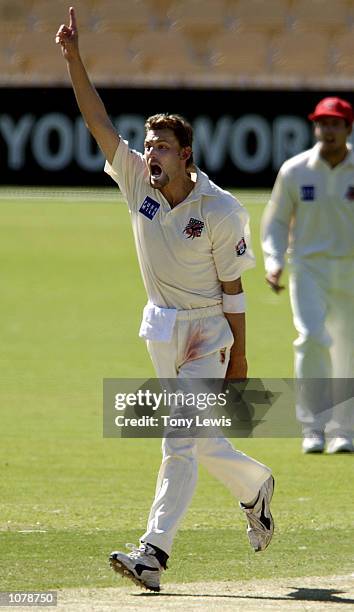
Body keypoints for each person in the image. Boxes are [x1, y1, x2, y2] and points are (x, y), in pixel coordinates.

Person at [56, 7, 274, 592]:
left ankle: (153, 553)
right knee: (201, 441)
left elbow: (234, 289)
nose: (149, 152)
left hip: (208, 332)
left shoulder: (222, 210)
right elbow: (98, 121)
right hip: (160, 327)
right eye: (148, 143)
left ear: (186, 157)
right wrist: (74, 59)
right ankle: (255, 488)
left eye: (161, 146)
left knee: (178, 439)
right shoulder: (136, 183)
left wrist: (243, 359)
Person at [262, 96, 354, 455]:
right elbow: (277, 219)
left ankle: (343, 429)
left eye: (335, 123)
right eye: (322, 123)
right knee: (312, 338)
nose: (327, 130)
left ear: (348, 128)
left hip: (350, 267)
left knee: (347, 346)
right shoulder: (295, 169)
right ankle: (313, 426)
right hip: (308, 267)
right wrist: (273, 260)